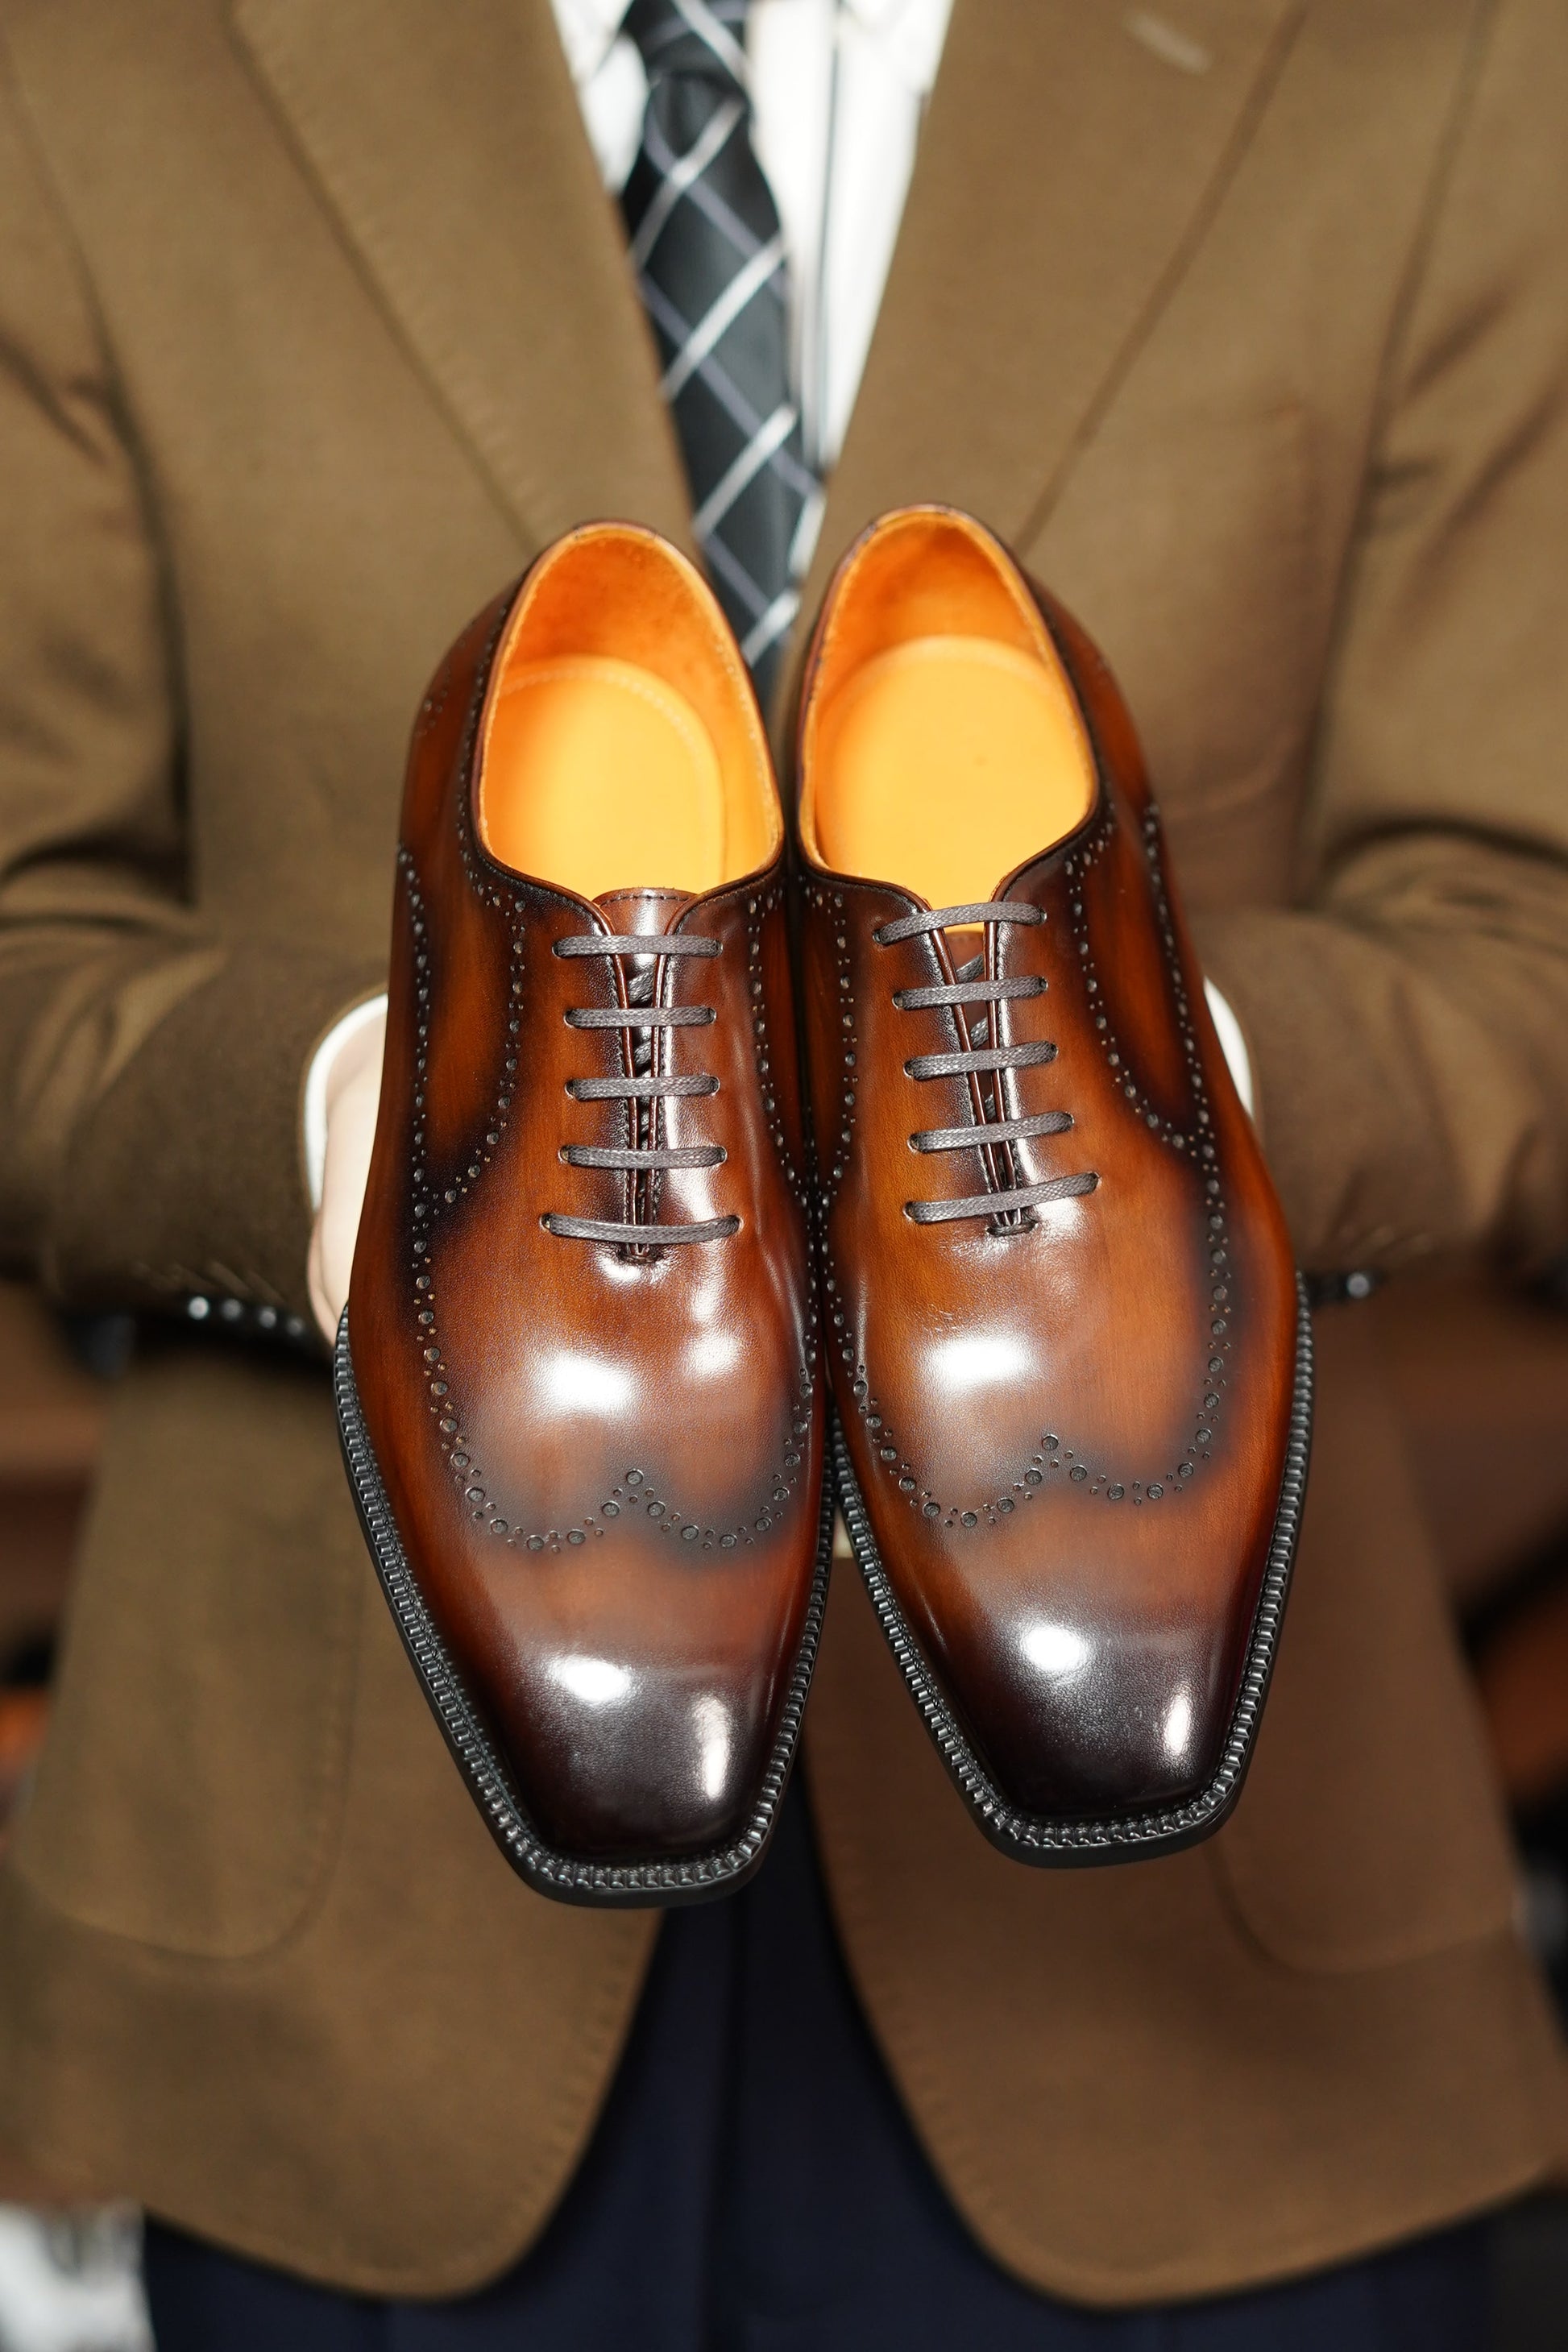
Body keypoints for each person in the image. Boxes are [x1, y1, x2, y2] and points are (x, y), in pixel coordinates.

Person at [1, 0, 1566, 2343]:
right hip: (358, 1975)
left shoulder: (1423, 52)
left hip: (1218, 2010)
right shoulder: (93, 61)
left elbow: (1524, 928)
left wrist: (1157, 1082)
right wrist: (365, 1112)